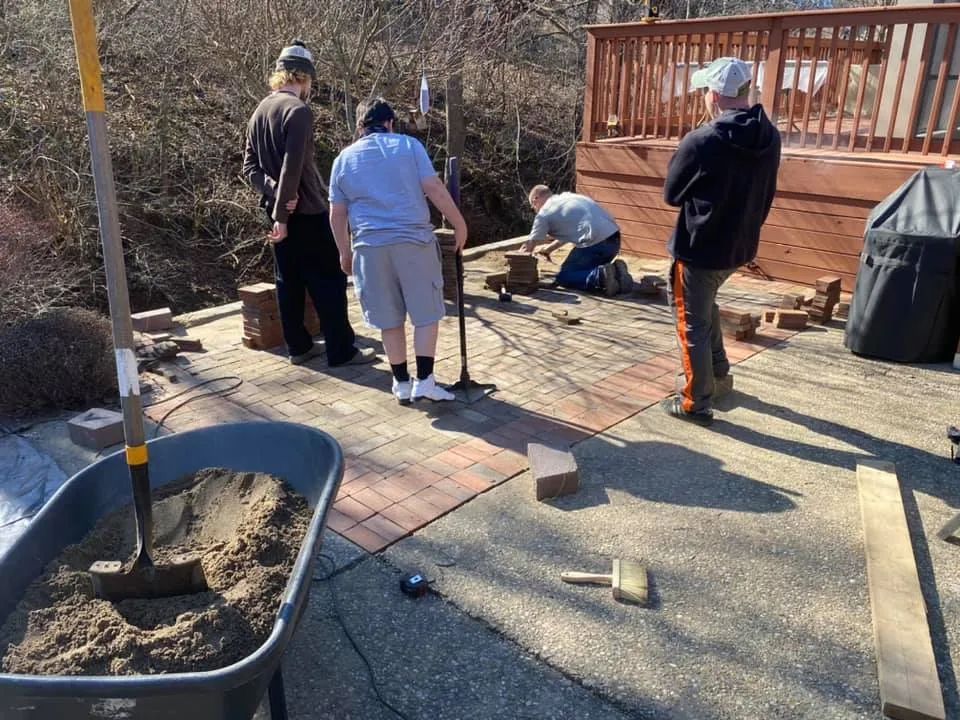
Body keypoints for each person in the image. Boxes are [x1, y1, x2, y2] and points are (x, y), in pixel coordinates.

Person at [661, 57, 781, 426]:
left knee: (690, 319)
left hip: (701, 250)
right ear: (747, 91)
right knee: (704, 305)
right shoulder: (770, 135)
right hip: (740, 247)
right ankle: (719, 372)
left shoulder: (702, 140)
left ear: (713, 94)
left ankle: (695, 402)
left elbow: (672, 194)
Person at [242, 40, 375, 367]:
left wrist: (274, 199)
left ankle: (299, 347)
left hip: (277, 213)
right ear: (303, 77)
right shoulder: (298, 111)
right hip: (305, 213)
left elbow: (249, 169)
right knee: (328, 280)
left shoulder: (258, 111)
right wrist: (283, 213)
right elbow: (293, 165)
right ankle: (341, 351)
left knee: (289, 281)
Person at [328, 98, 468, 405]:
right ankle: (426, 381)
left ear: (360, 127)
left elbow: (337, 213)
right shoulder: (409, 146)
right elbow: (433, 188)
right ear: (390, 123)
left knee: (388, 318)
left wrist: (344, 252)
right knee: (425, 313)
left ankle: (402, 382)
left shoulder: (343, 159)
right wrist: (459, 224)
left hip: (369, 248)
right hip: (413, 242)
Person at [522, 186, 633, 296]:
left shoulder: (544, 213)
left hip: (596, 245)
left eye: (533, 207)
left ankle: (601, 276)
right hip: (614, 242)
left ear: (535, 199)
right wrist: (549, 249)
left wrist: (516, 259)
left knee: (565, 276)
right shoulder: (568, 198)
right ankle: (616, 272)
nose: (535, 210)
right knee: (583, 269)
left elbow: (531, 244)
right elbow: (570, 234)